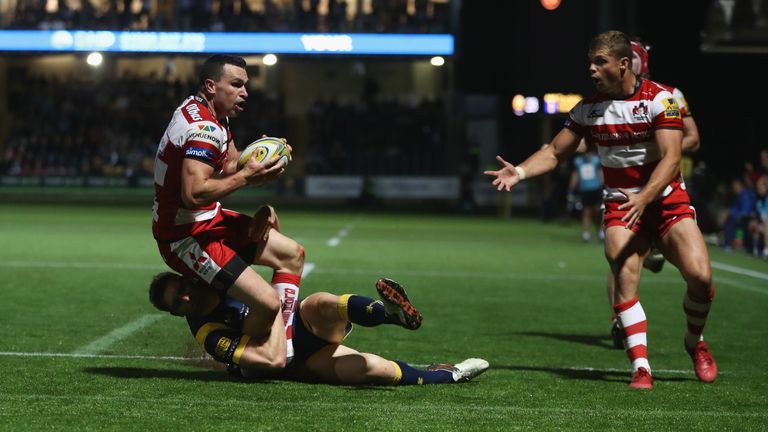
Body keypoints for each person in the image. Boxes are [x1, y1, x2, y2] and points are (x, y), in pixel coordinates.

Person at [485, 30, 717, 389]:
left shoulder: (663, 100)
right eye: (590, 63)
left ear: (624, 64)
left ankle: (694, 342)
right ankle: (641, 367)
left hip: (667, 201)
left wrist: (645, 196)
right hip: (621, 205)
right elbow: (554, 152)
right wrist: (520, 171)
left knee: (700, 278)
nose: (591, 70)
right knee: (623, 277)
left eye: (600, 62)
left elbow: (673, 157)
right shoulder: (587, 108)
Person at [152, 54, 304, 346]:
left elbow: (231, 163)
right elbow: (194, 193)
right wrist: (249, 177)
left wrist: (262, 155)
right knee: (268, 303)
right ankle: (249, 357)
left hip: (207, 220)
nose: (245, 92)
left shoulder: (209, 115)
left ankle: (283, 347)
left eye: (245, 85)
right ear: (211, 85)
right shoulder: (204, 131)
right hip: (184, 238)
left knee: (291, 255)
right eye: (236, 84)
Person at [148, 272, 490, 385]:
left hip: (306, 323)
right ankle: (450, 374)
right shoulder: (209, 334)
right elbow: (269, 362)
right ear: (178, 313)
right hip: (295, 361)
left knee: (318, 303)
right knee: (370, 368)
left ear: (187, 278)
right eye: (178, 301)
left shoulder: (222, 277)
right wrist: (277, 320)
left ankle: (392, 315)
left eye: (182, 288)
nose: (187, 296)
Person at [606, 40, 703, 348]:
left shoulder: (668, 95)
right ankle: (618, 320)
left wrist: (657, 147)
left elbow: (693, 139)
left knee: (696, 271)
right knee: (618, 260)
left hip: (664, 191)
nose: (627, 65)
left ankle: (695, 337)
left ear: (642, 63)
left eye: (631, 59)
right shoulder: (605, 101)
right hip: (624, 190)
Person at [568, 150, 604, 242]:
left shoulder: (596, 160)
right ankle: (586, 233)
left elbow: (601, 174)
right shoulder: (578, 161)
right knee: (586, 211)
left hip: (596, 189)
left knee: (597, 212)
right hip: (584, 190)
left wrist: (603, 186)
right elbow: (575, 175)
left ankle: (599, 231)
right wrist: (571, 189)